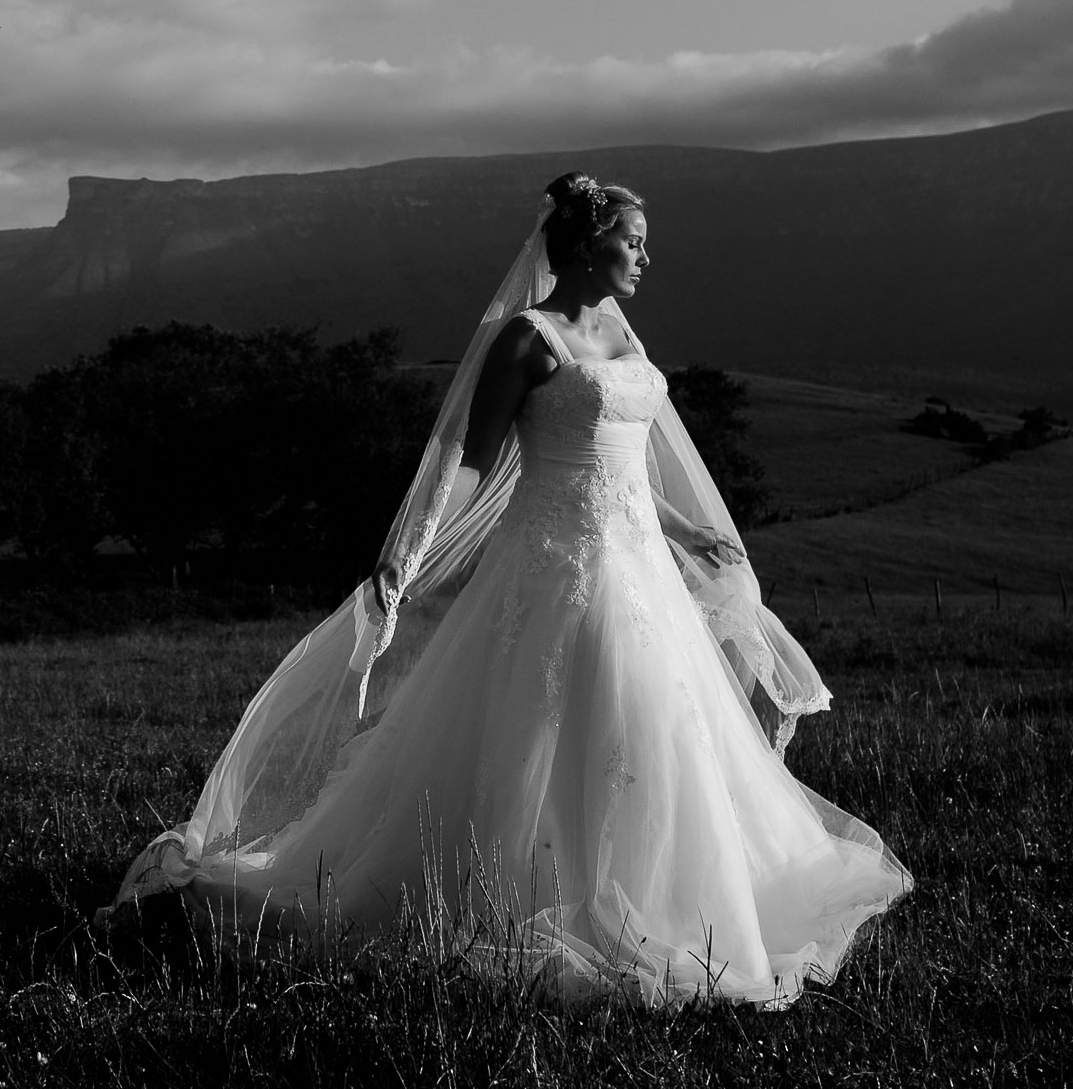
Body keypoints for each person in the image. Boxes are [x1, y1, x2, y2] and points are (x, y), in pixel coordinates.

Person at [103, 172, 909, 1008]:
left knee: (659, 720)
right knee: (552, 720)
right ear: (587, 246)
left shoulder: (624, 340)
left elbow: (625, 460)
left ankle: (675, 898)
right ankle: (525, 898)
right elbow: (477, 462)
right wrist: (410, 547)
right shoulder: (528, 340)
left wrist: (682, 529)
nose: (644, 256)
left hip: (641, 568)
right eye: (632, 241)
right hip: (556, 565)